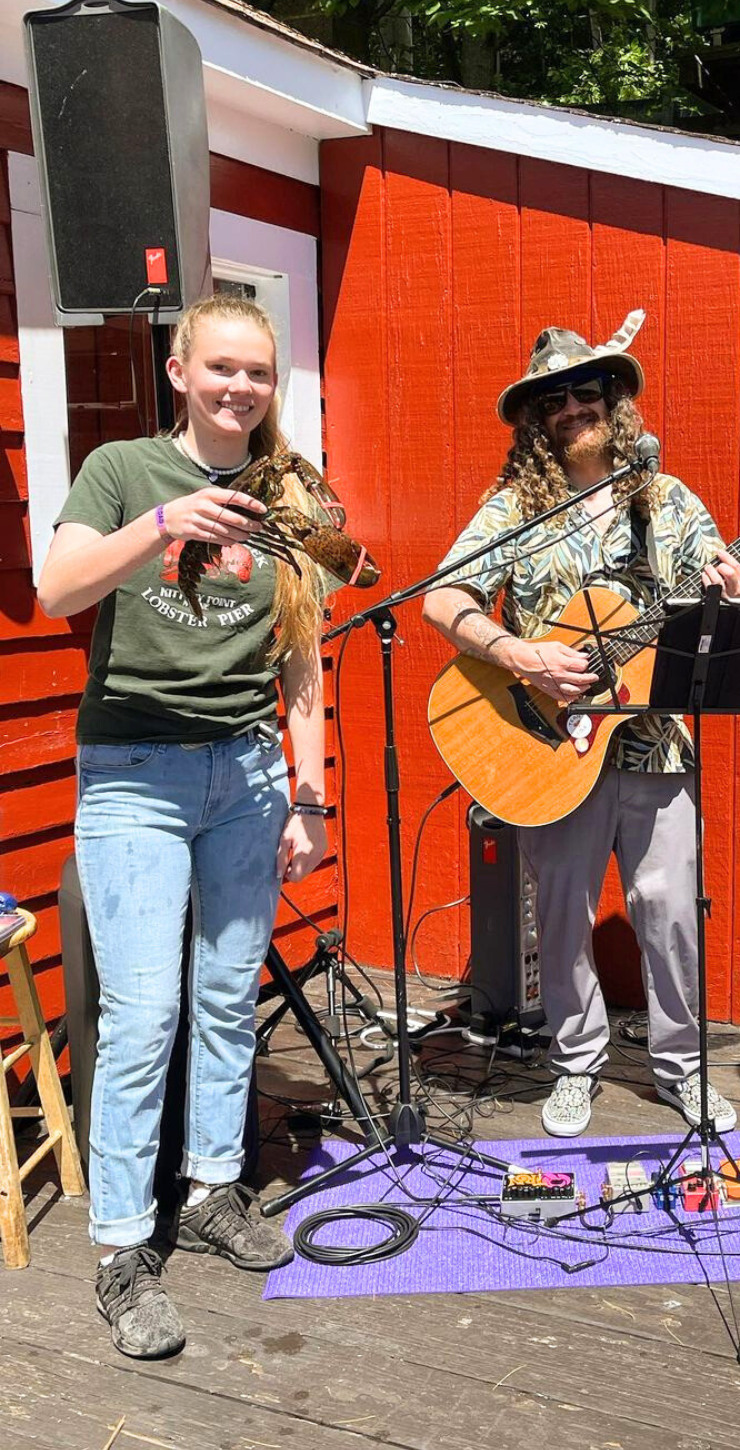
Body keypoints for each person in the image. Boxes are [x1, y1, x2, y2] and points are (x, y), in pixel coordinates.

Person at [37, 294, 332, 1358]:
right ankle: (122, 1245)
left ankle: (212, 1189)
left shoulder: (291, 495)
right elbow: (55, 585)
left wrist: (311, 792)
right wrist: (165, 522)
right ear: (180, 371)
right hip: (134, 772)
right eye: (222, 369)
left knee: (225, 991)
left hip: (248, 774)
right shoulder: (123, 471)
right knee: (144, 1006)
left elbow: (301, 658)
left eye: (258, 372)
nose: (241, 388)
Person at [423, 317, 740, 1138]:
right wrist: (520, 655)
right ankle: (575, 1062)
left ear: (614, 398)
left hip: (653, 740)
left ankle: (682, 1068)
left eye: (585, 390)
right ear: (536, 418)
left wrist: (723, 579)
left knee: (668, 908)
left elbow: (714, 587)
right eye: (551, 398)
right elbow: (441, 597)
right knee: (562, 912)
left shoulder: (663, 499)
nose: (571, 406)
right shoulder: (514, 509)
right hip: (545, 749)